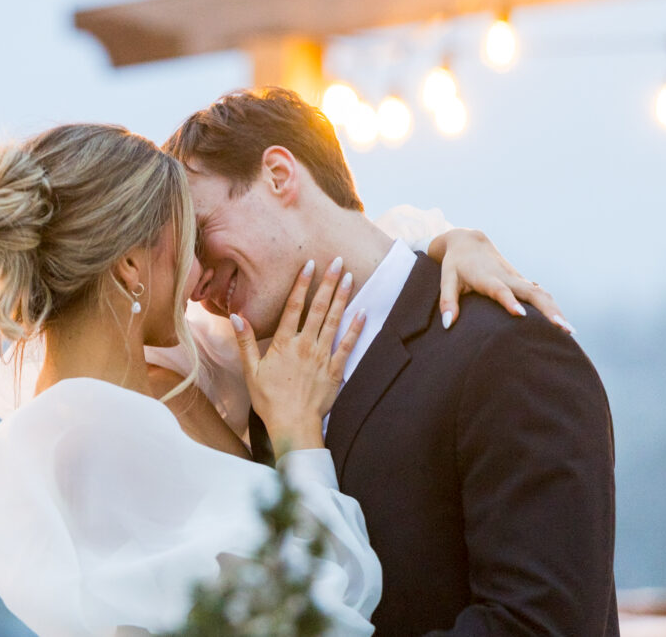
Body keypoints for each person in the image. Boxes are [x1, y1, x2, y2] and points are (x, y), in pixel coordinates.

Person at [159, 86, 618, 635]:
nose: (193, 280)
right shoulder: (265, 398)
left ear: (280, 175)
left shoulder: (507, 353)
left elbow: (542, 625)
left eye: (200, 232)